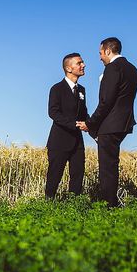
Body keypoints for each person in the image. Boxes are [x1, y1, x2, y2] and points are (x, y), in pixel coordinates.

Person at [78, 37, 137, 207]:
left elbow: (106, 101)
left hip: (110, 125)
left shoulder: (112, 69)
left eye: (100, 53)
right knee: (112, 164)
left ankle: (108, 206)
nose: (99, 57)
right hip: (124, 123)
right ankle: (113, 203)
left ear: (107, 51)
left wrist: (90, 124)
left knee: (107, 167)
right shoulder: (132, 69)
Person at [45, 53, 88, 199]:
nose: (83, 65)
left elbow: (84, 113)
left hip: (78, 142)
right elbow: (53, 113)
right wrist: (74, 124)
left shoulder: (82, 90)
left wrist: (92, 126)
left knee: (78, 175)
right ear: (69, 68)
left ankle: (73, 207)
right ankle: (47, 205)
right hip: (59, 141)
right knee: (54, 176)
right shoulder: (56, 89)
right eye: (79, 63)